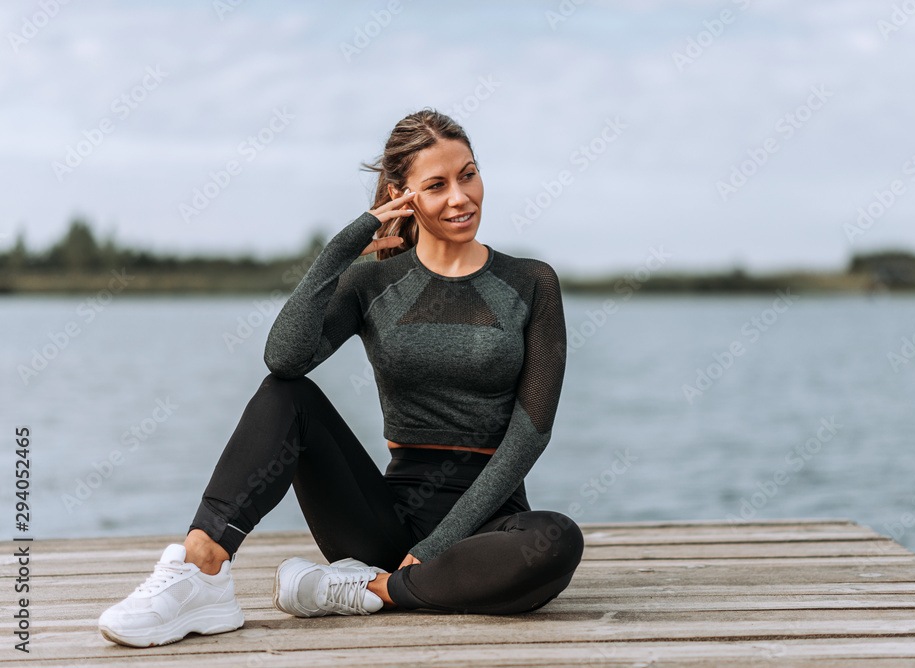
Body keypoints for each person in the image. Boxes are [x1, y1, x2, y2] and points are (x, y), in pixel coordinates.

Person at [97, 108, 585, 648]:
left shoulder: (531, 282)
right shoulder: (372, 281)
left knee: (557, 539)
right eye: (437, 185)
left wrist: (436, 546)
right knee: (287, 395)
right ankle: (202, 569)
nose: (460, 197)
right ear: (404, 196)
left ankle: (374, 590)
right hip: (381, 523)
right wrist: (347, 245)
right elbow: (283, 359)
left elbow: (531, 433)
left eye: (468, 174)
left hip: (489, 528)